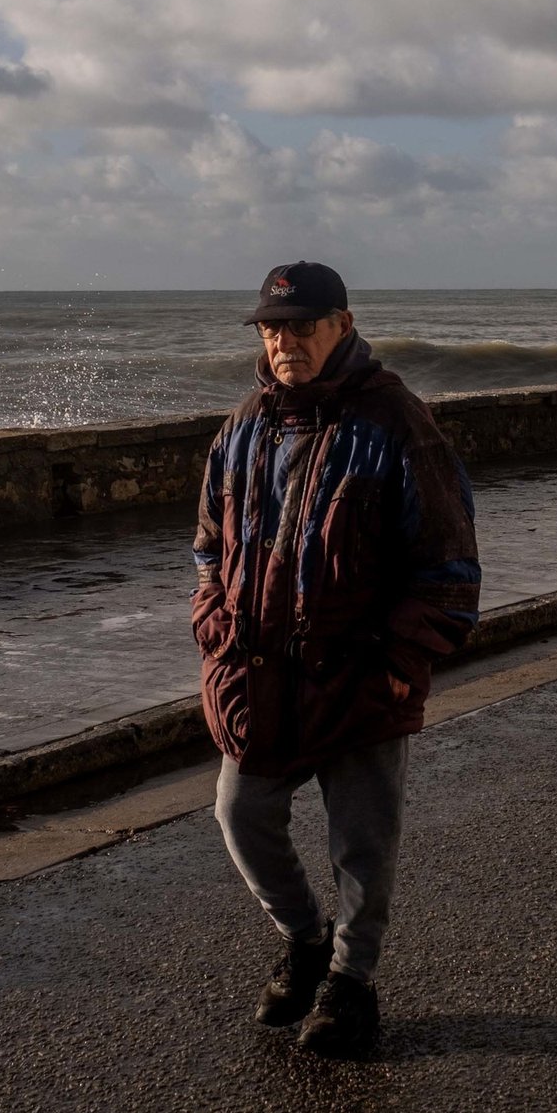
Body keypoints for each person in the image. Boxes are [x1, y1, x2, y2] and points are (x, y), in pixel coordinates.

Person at [192, 261, 481, 1058]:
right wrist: (212, 620)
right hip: (260, 674)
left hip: (360, 672)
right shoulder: (244, 424)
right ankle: (304, 937)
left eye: (302, 325)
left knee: (362, 842)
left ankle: (352, 987)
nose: (284, 341)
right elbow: (208, 546)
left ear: (342, 326)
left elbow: (449, 568)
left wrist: (397, 663)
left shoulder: (396, 422)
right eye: (272, 327)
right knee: (241, 812)